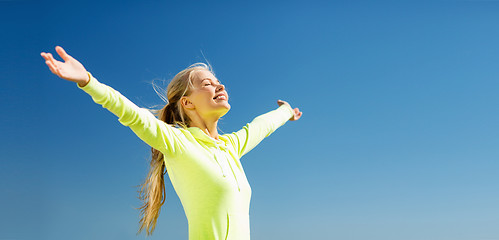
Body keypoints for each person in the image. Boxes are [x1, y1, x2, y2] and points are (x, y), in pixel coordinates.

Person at [40, 46, 302, 240]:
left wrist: (286, 111)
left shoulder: (231, 146)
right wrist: (88, 81)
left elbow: (261, 126)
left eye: (219, 81)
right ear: (187, 103)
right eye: (208, 84)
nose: (219, 85)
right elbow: (131, 113)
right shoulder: (177, 142)